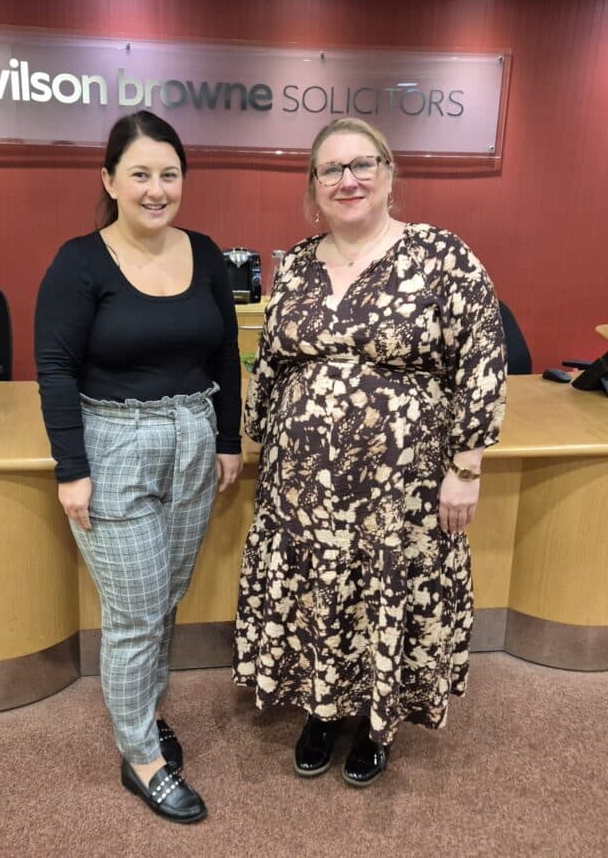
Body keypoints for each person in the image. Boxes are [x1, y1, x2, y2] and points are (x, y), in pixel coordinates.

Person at [234, 117, 507, 787]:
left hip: (403, 491)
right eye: (331, 169)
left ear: (389, 174)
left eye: (362, 164)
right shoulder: (296, 263)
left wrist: (466, 466)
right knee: (321, 597)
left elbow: (483, 359)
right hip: (304, 492)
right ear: (313, 187)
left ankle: (379, 724)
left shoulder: (441, 256)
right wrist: (256, 440)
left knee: (387, 595)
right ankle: (323, 711)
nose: (347, 180)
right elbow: (270, 363)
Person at [35, 111, 242, 823]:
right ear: (110, 181)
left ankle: (145, 713)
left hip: (192, 436)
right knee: (135, 612)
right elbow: (56, 368)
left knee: (168, 596)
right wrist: (72, 468)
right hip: (114, 443)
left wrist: (227, 438)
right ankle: (142, 757)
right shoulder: (80, 261)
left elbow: (224, 356)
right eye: (141, 175)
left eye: (170, 175)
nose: (157, 190)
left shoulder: (206, 252)